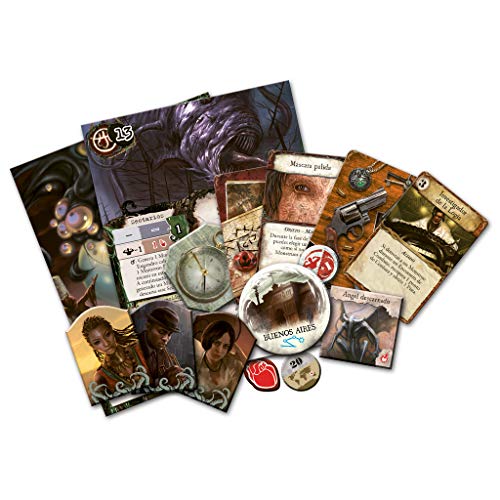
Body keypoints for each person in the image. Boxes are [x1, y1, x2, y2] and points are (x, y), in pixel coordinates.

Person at [82, 315, 149, 394]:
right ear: (93, 347)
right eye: (97, 342)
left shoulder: (140, 348)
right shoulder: (101, 377)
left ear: (113, 332)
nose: (106, 343)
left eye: (107, 334)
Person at [194, 320, 243, 397]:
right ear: (208, 340)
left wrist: (238, 352)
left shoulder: (232, 364)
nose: (219, 350)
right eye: (217, 343)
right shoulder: (195, 363)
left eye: (225, 346)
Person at [138, 307, 184, 387]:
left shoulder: (162, 352)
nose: (166, 339)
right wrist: (164, 381)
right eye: (161, 332)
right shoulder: (133, 348)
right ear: (148, 326)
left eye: (169, 334)